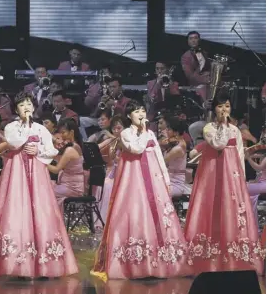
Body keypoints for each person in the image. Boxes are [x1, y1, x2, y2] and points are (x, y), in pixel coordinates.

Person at [0, 92, 78, 279]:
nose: (26, 107)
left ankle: (43, 263)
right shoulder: (11, 127)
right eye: (21, 104)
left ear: (33, 107)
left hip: (38, 174)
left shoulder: (41, 129)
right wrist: (26, 129)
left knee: (41, 211)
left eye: (28, 104)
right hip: (17, 173)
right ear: (16, 109)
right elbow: (15, 143)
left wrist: (38, 149)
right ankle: (16, 261)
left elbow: (52, 150)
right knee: (16, 210)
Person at [91, 99, 189, 280]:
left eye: (142, 110)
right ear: (129, 115)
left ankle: (160, 260)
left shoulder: (151, 133)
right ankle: (135, 262)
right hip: (134, 181)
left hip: (154, 180)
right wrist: (143, 132)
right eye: (136, 111)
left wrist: (166, 181)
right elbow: (136, 149)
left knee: (159, 217)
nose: (141, 114)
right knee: (136, 215)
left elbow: (159, 158)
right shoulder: (127, 133)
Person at [184, 91, 265, 274]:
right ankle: (209, 259)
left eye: (227, 106)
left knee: (231, 211)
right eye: (220, 106)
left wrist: (241, 179)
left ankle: (233, 258)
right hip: (212, 174)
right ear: (214, 109)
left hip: (231, 176)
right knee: (212, 209)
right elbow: (219, 144)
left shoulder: (236, 130)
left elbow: (239, 153)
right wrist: (223, 125)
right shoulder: (209, 129)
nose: (224, 109)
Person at [49, 118, 85, 213]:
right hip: (69, 185)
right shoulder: (74, 147)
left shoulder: (70, 149)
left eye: (63, 132)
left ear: (71, 132)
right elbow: (57, 159)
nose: (61, 135)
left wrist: (42, 163)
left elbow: (56, 169)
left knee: (46, 192)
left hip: (72, 188)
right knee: (47, 186)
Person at [161, 117, 192, 197]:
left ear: (176, 133)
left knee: (157, 192)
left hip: (175, 184)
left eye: (168, 129)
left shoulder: (178, 148)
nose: (166, 131)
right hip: (168, 180)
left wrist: (158, 145)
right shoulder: (177, 143)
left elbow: (161, 162)